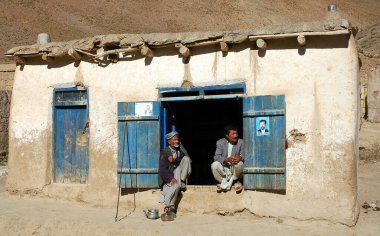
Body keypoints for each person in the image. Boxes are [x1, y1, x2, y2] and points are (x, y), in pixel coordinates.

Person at [158, 131, 191, 215]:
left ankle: (182, 181)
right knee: (176, 185)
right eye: (174, 140)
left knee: (186, 159)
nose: (177, 141)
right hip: (170, 176)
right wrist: (171, 179)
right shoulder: (164, 152)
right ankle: (171, 206)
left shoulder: (179, 149)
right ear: (169, 142)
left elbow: (188, 160)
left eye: (177, 139)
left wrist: (175, 160)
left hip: (178, 174)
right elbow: (162, 170)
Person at [211, 124, 244, 193]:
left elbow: (247, 155)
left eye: (236, 133)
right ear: (227, 135)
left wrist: (240, 157)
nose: (236, 136)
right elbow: (216, 157)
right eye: (233, 134)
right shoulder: (220, 142)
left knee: (240, 164)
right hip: (224, 169)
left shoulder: (241, 142)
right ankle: (223, 182)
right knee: (214, 165)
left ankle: (235, 181)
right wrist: (226, 159)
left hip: (234, 168)